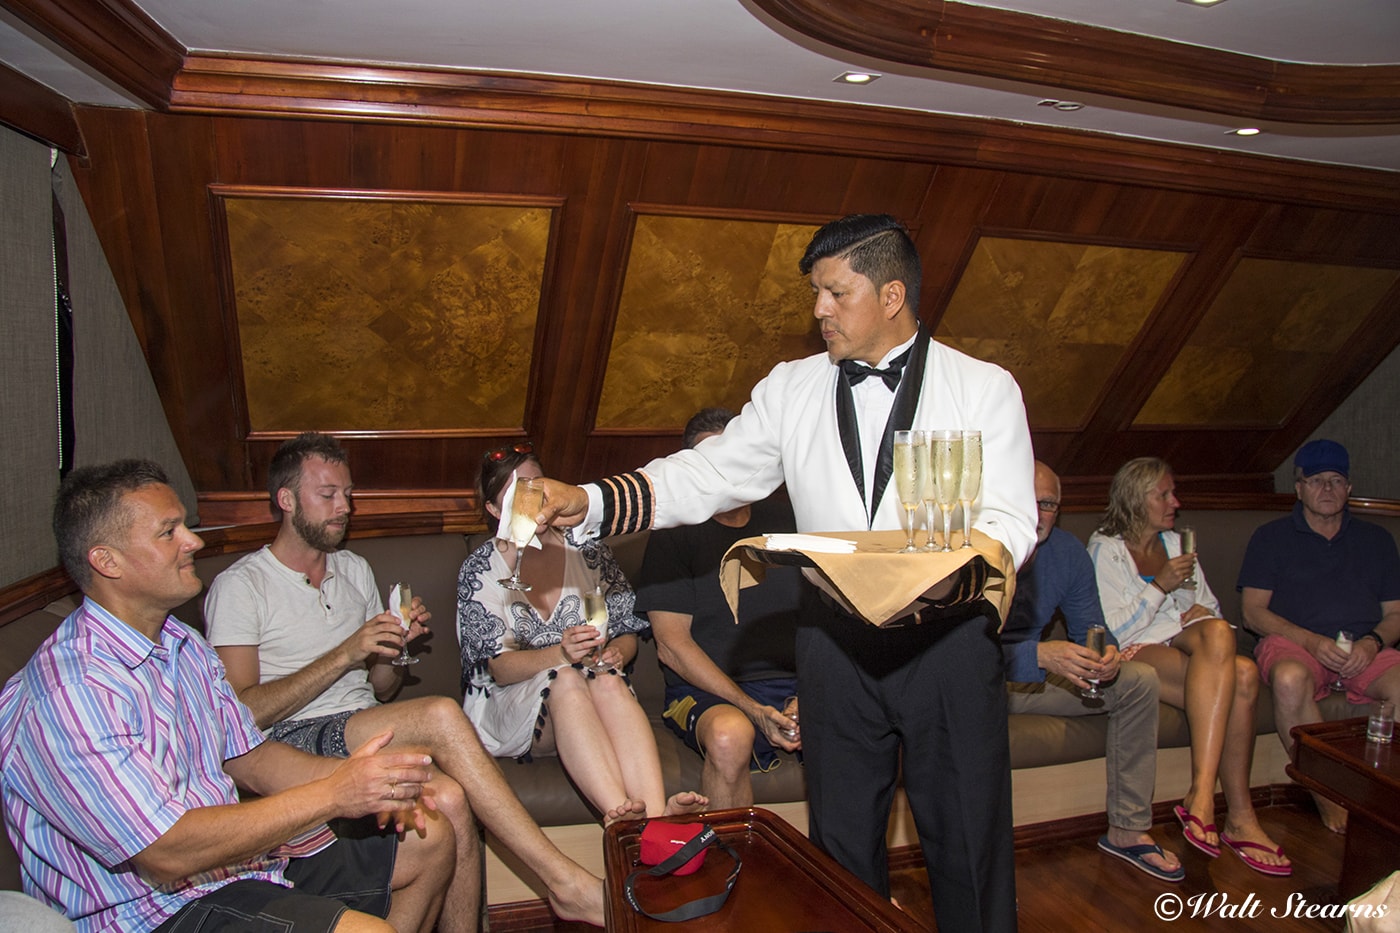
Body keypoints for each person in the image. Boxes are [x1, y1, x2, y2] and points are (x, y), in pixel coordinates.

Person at [532, 214, 1038, 932]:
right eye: (815, 292)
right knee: (837, 847)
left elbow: (1014, 521)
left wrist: (938, 577)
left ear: (891, 294)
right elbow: (708, 474)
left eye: (834, 292)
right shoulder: (791, 387)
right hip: (833, 644)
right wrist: (591, 499)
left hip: (947, 642)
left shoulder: (985, 388)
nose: (818, 310)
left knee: (967, 844)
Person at [0, 459, 454, 932]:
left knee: (431, 837)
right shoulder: (72, 691)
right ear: (106, 561)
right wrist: (333, 795)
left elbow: (251, 758)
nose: (193, 541)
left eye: (185, 526)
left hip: (232, 871)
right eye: (168, 532)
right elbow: (166, 851)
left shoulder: (181, 643)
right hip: (150, 913)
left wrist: (367, 780)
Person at [204, 433, 604, 928]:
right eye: (327, 495)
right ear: (286, 500)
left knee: (452, 801)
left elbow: (382, 688)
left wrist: (395, 649)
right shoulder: (241, 586)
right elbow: (238, 715)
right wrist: (346, 651)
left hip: (362, 725)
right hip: (291, 738)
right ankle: (563, 882)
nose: (343, 507)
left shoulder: (353, 568)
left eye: (347, 494)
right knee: (439, 712)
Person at [456, 443, 705, 824]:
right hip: (511, 702)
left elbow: (625, 630)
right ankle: (620, 820)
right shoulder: (480, 570)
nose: (530, 499)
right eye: (514, 493)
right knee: (567, 680)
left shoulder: (587, 551)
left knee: (607, 680)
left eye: (535, 486)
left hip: (594, 687)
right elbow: (499, 670)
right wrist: (561, 654)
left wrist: (619, 652)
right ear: (493, 510)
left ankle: (654, 821)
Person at [1088, 457, 1290, 877]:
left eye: (1173, 493)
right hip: (1136, 652)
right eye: (1163, 494)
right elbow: (1116, 631)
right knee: (1243, 675)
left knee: (1235, 656)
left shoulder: (1178, 546)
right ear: (1135, 499)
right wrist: (1161, 587)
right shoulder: (1105, 549)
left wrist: (1185, 609)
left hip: (1184, 645)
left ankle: (1208, 799)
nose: (1174, 502)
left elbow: (1212, 613)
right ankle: (1236, 815)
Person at [1001, 462, 1181, 881]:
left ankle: (1128, 830)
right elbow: (957, 655)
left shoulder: (1067, 553)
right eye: (1029, 501)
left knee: (1139, 681)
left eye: (1049, 504)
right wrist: (1040, 657)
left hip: (1032, 677)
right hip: (976, 680)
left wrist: (1108, 657)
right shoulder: (969, 546)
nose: (1039, 513)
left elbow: (1092, 629)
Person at [633, 407, 804, 809]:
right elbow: (672, 645)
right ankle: (730, 866)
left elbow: (826, 622)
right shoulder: (674, 535)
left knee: (861, 721)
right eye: (711, 463)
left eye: (733, 458)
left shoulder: (791, 518)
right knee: (731, 735)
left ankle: (828, 866)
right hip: (706, 690)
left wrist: (808, 697)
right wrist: (751, 708)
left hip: (794, 683)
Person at [1237, 439, 1400, 833]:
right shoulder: (1270, 537)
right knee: (1291, 680)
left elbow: (1396, 614)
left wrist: (1372, 643)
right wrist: (1311, 642)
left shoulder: (1376, 540)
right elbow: (1253, 612)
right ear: (1298, 488)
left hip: (1365, 648)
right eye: (1315, 481)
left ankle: (1388, 801)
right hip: (1295, 645)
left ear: (1348, 487)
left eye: (1336, 480)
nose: (1326, 489)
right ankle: (1331, 802)